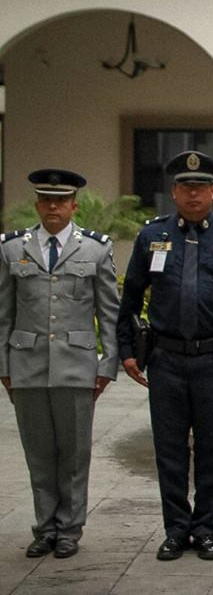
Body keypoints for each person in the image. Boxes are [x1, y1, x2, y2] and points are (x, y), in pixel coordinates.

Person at [117, 151, 213, 561]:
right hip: (166, 360)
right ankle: (177, 529)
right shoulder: (152, 236)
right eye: (185, 187)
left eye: (200, 187)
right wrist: (127, 351)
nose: (193, 194)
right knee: (170, 449)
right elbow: (129, 299)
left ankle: (207, 529)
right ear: (174, 192)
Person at [0, 169, 119, 559]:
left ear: (73, 205)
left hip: (76, 365)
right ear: (37, 204)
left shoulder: (96, 250)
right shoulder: (12, 248)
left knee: (73, 454)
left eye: (61, 200)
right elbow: (4, 314)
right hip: (27, 364)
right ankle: (44, 528)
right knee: (38, 455)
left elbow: (110, 313)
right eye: (46, 200)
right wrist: (4, 365)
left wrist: (106, 365)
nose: (54, 206)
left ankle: (69, 529)